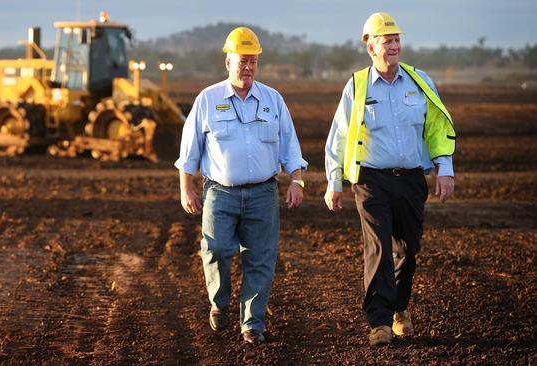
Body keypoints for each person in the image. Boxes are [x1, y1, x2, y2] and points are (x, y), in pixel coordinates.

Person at [323, 12, 456, 347]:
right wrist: (333, 181)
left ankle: (399, 307)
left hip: (412, 180)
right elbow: (339, 137)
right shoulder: (357, 85)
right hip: (371, 181)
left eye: (397, 40)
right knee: (379, 248)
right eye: (387, 41)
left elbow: (437, 129)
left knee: (409, 250)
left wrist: (446, 168)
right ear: (371, 47)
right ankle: (379, 321)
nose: (394, 46)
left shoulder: (420, 80)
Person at [175, 26, 308, 344]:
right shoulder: (207, 100)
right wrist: (186, 188)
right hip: (220, 193)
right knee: (216, 249)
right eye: (241, 61)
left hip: (264, 192)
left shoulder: (273, 100)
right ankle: (219, 303)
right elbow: (188, 151)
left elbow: (290, 148)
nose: (247, 67)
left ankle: (253, 324)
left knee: (261, 258)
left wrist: (297, 181)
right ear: (228, 62)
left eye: (253, 61)